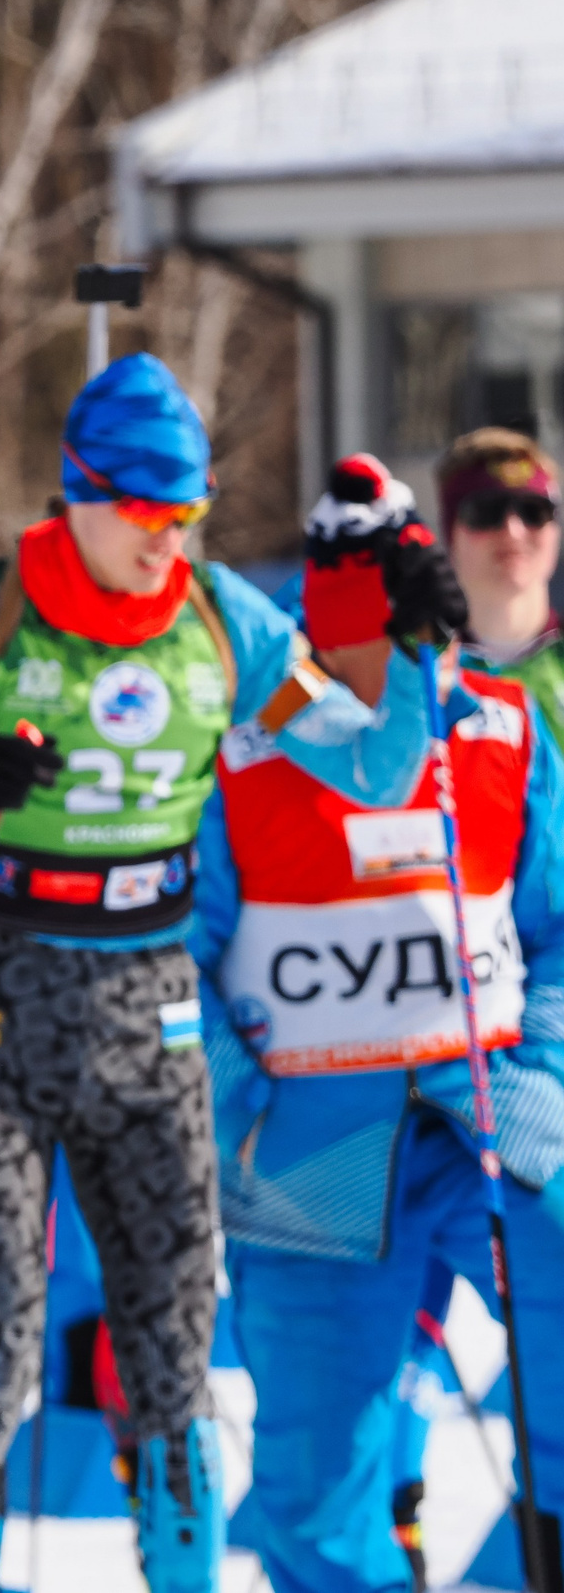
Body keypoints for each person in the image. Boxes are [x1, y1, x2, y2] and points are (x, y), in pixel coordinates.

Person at [0, 355, 446, 1593]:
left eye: (189, 514)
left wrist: (410, 642)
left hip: (148, 1015)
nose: (170, 539)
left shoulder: (225, 621)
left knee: (168, 1357)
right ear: (83, 495)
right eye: (150, 512)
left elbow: (373, 770)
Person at [199, 456, 564, 1593]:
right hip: (313, 1141)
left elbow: (554, 924)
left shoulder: (497, 729)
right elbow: (180, 959)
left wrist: (546, 1069)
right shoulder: (250, 749)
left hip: (490, 1110)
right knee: (320, 1475)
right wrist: (240, 1107)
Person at [442, 427, 564, 737]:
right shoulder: (419, 674)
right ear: (450, 534)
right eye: (486, 512)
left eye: (534, 511)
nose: (513, 530)